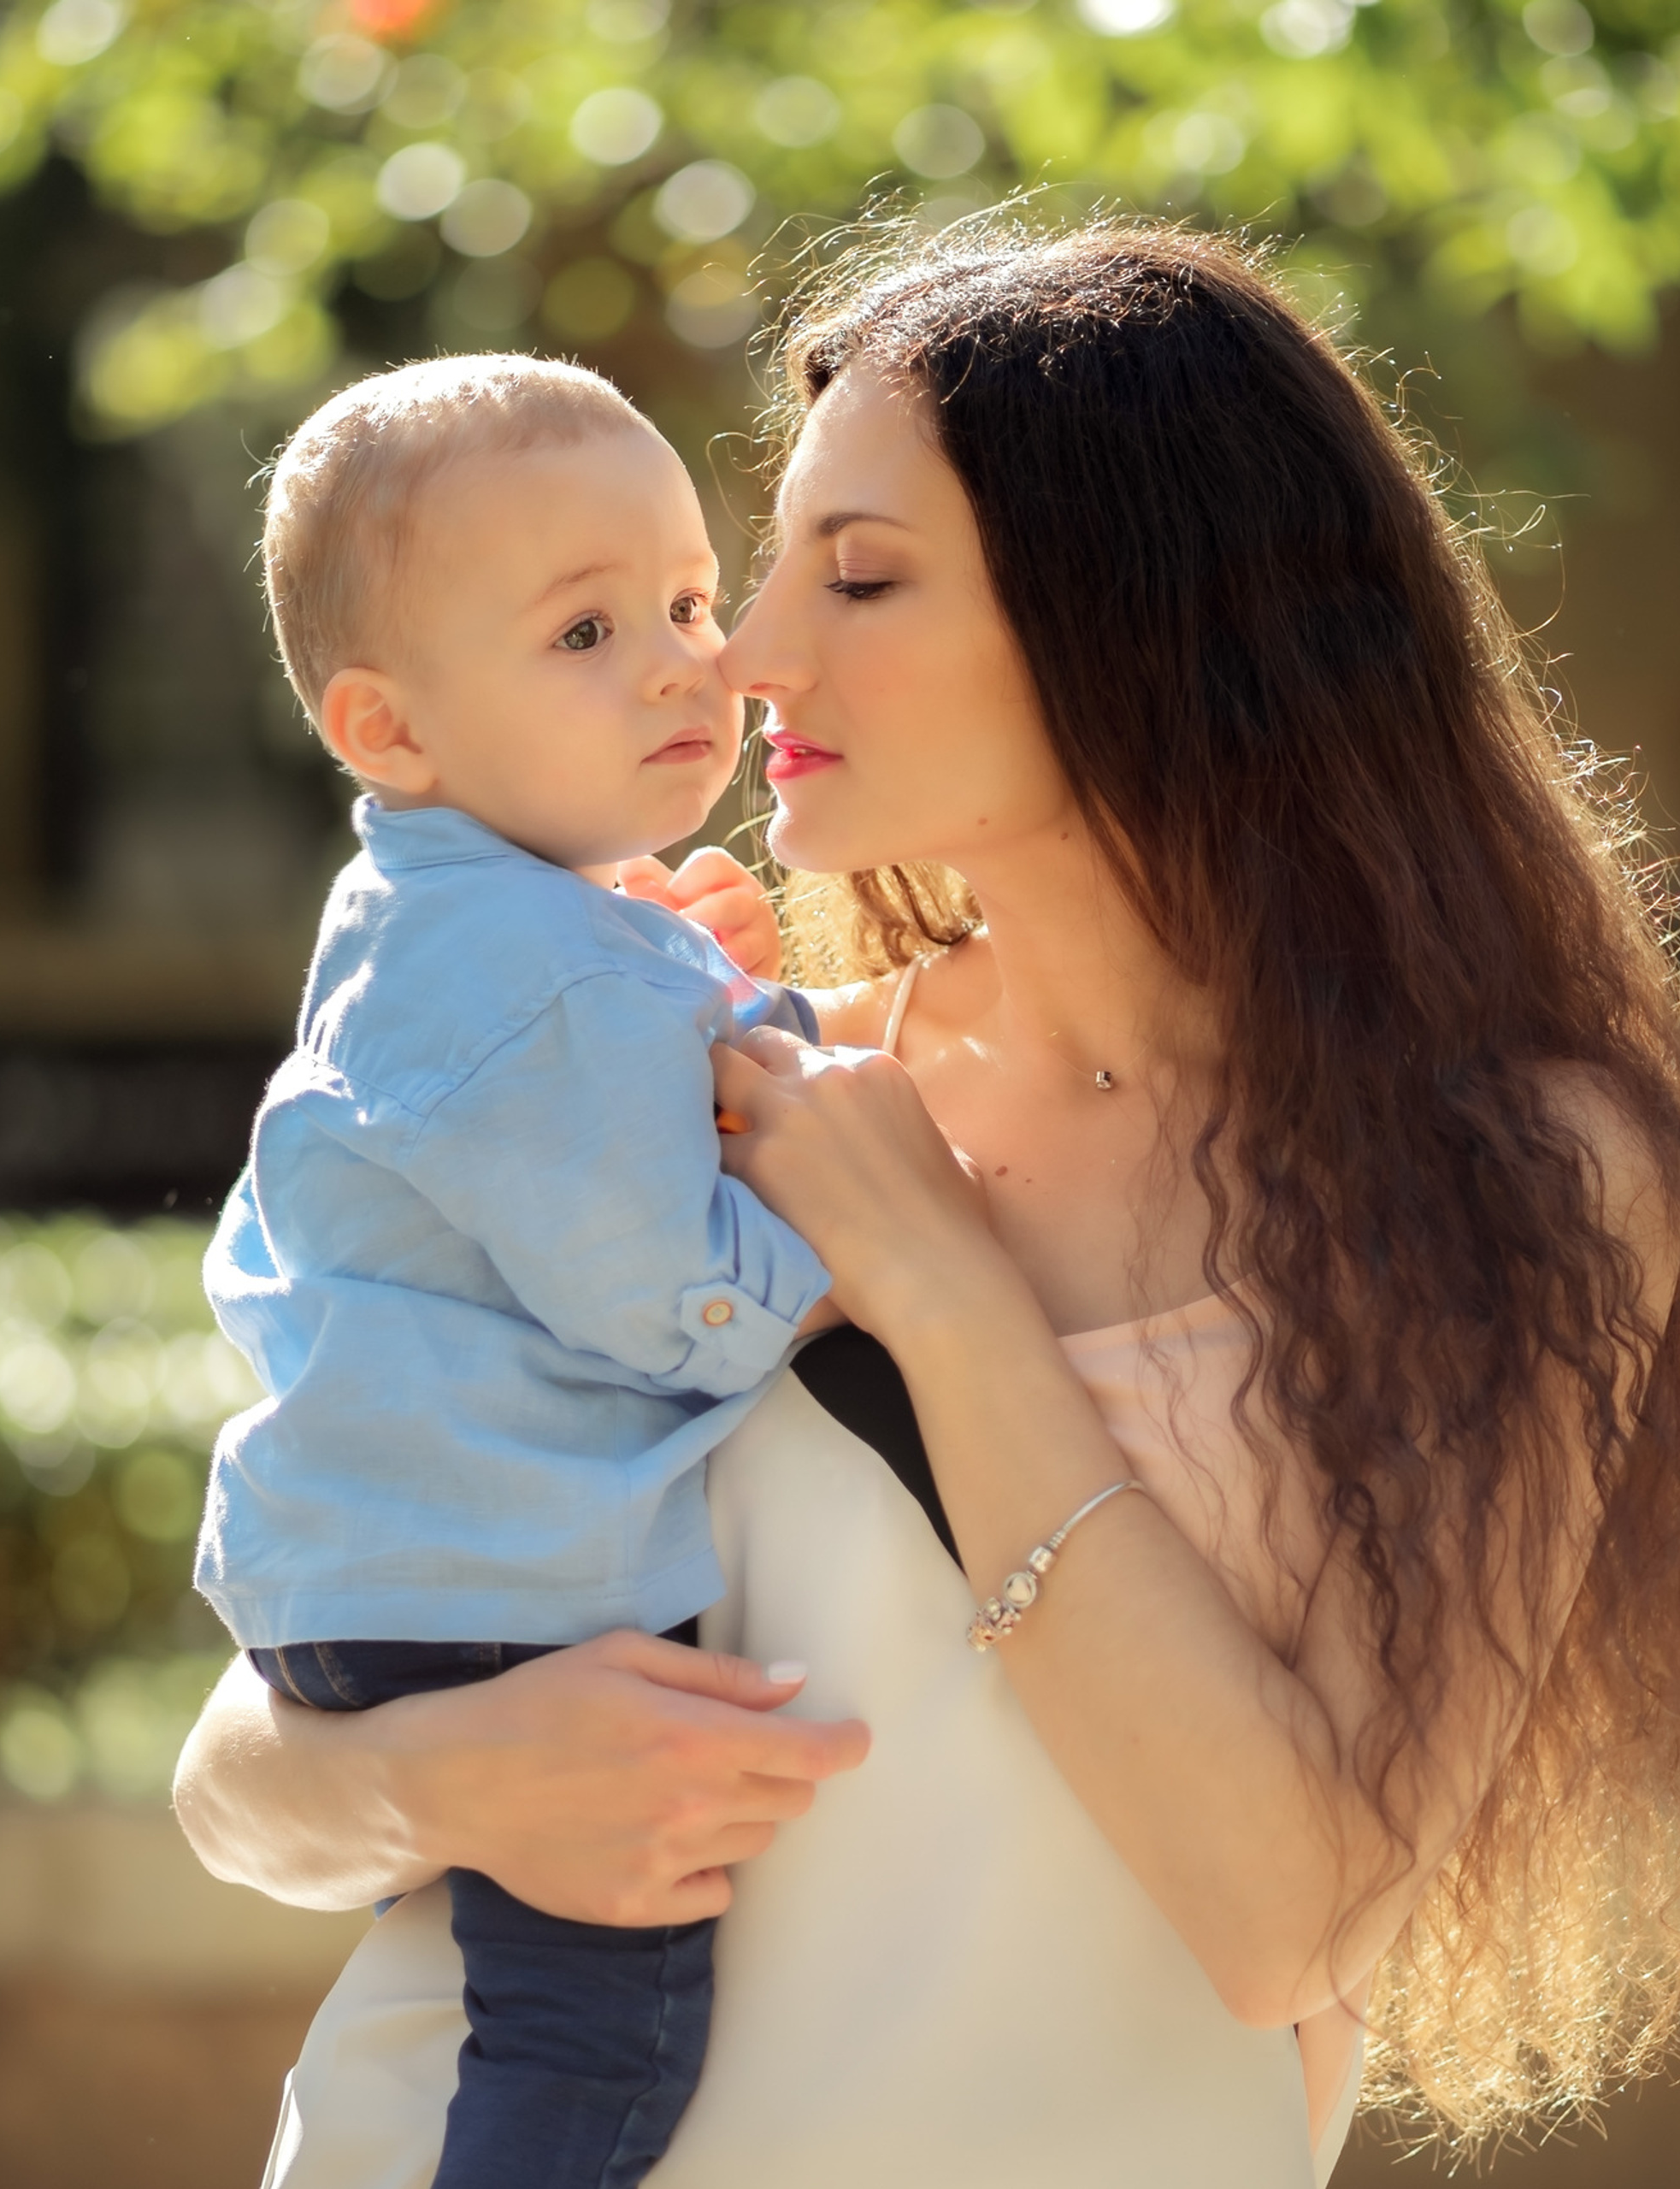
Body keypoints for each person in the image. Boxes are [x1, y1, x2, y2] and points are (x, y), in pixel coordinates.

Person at [175, 223, 1680, 2187]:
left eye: (853, 575)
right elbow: (248, 1768)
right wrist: (435, 1773)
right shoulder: (709, 1086)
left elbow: (1284, 1915)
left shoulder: (1527, 1174)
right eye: (767, 564)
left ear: (1138, 616)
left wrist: (933, 1283)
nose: (745, 651)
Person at [199, 353, 840, 2189]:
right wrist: (869, 1223)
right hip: (494, 1584)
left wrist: (713, 988)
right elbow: (675, 1300)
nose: (680, 662)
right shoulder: (540, 972)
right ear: (384, 728)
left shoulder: (475, 914)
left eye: (689, 600)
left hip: (389, 1564)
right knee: (595, 2028)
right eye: (582, 631)